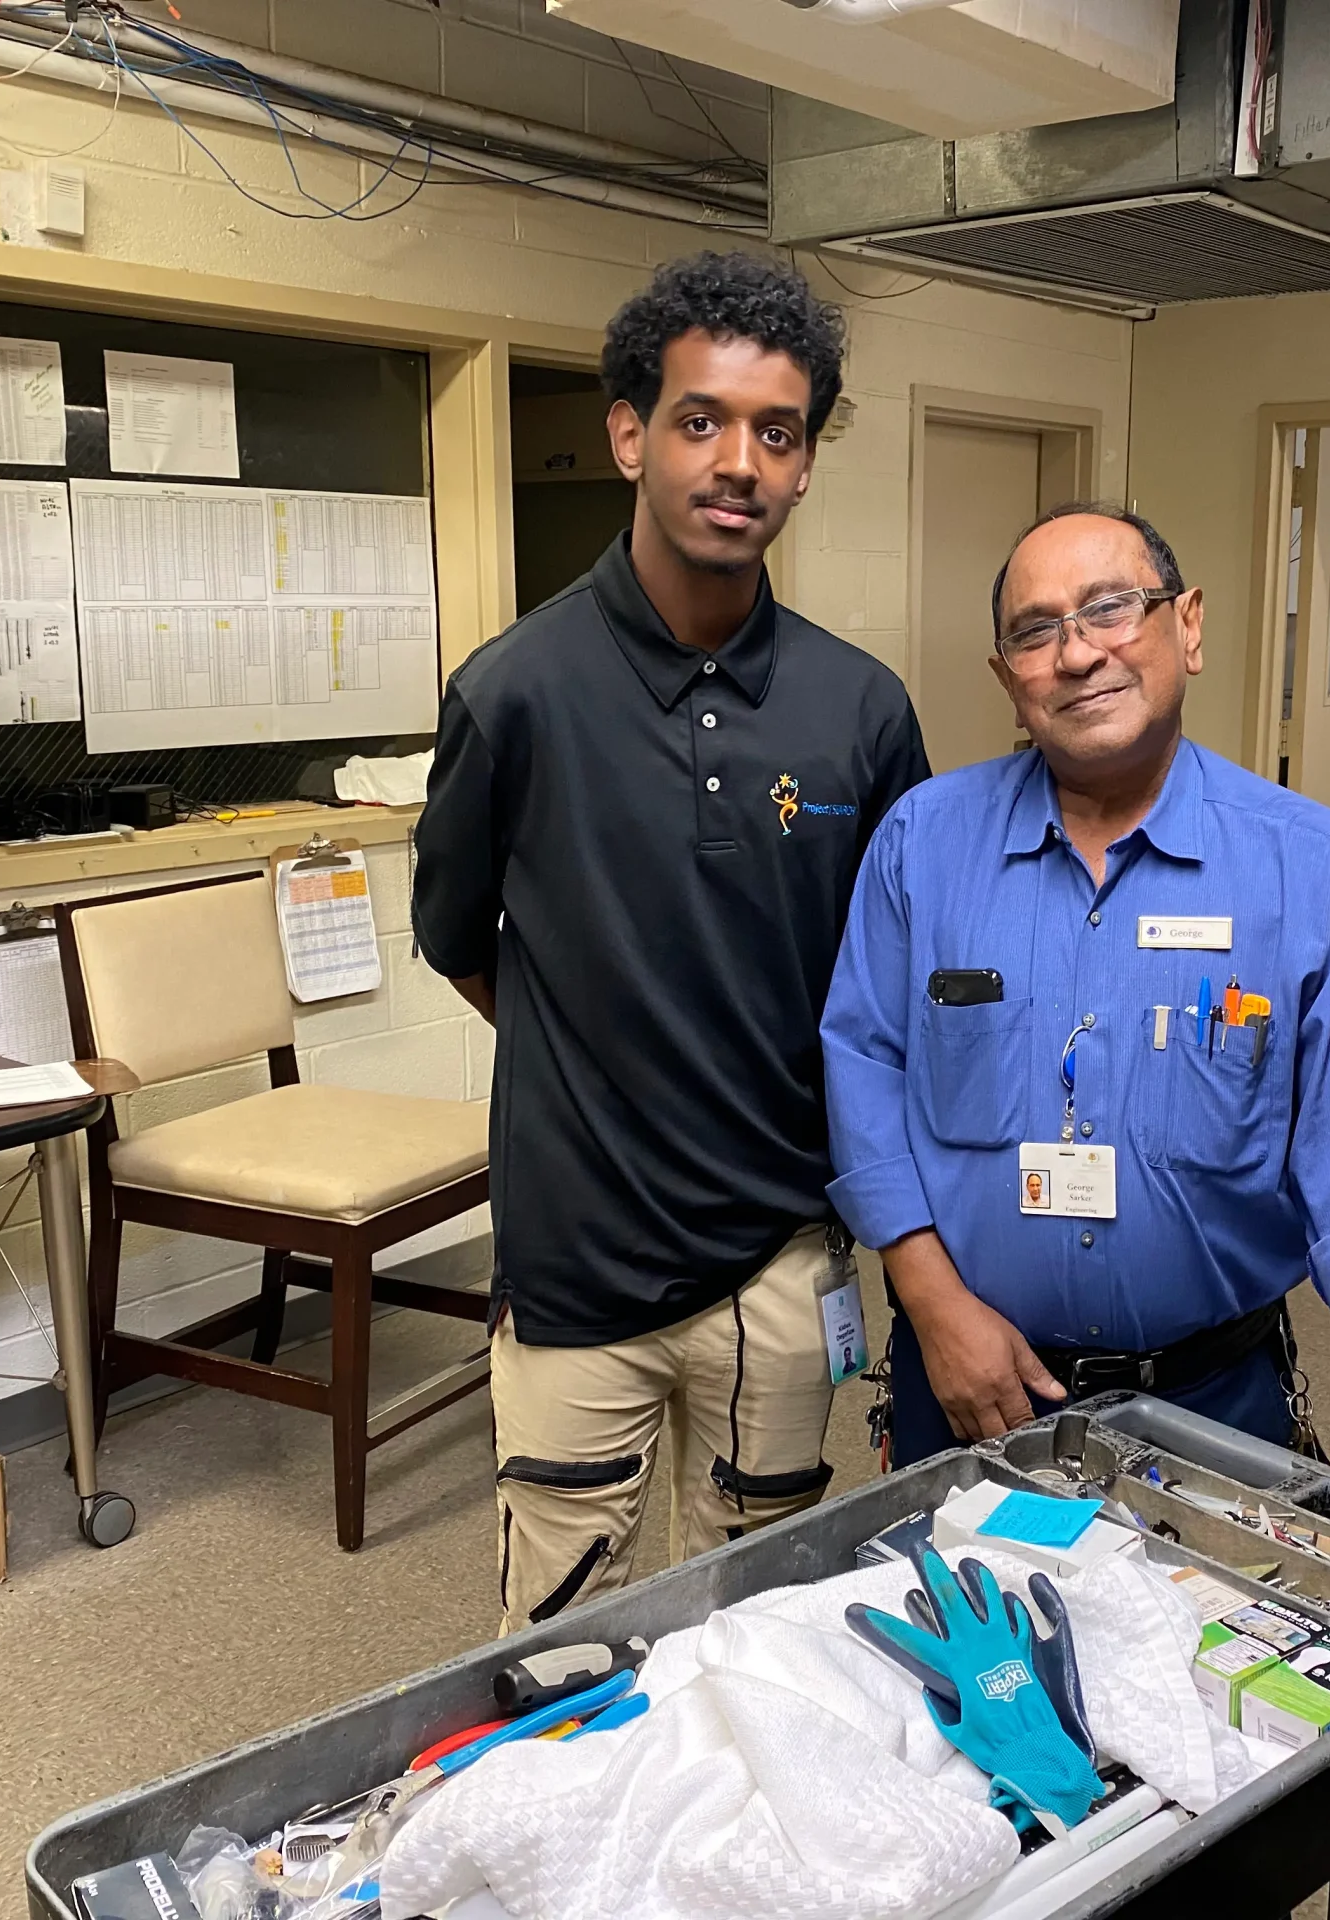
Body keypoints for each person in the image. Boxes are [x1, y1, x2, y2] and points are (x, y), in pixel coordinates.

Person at [820, 503, 1330, 1555]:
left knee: (1202, 1681)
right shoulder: (923, 844)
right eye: (1035, 630)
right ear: (1008, 676)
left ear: (1186, 626)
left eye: (1110, 609)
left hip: (1212, 1403)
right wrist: (930, 1307)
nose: (1077, 651)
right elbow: (863, 1069)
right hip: (969, 1388)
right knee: (970, 1681)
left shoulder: (1314, 871)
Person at [414, 253, 929, 1633]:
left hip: (783, 1255)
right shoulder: (514, 692)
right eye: (701, 420)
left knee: (761, 1624)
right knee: (563, 1649)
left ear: (807, 461)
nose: (738, 461)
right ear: (632, 434)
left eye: (777, 430)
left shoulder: (862, 713)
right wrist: (610, 1068)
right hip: (576, 1259)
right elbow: (464, 945)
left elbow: (888, 986)